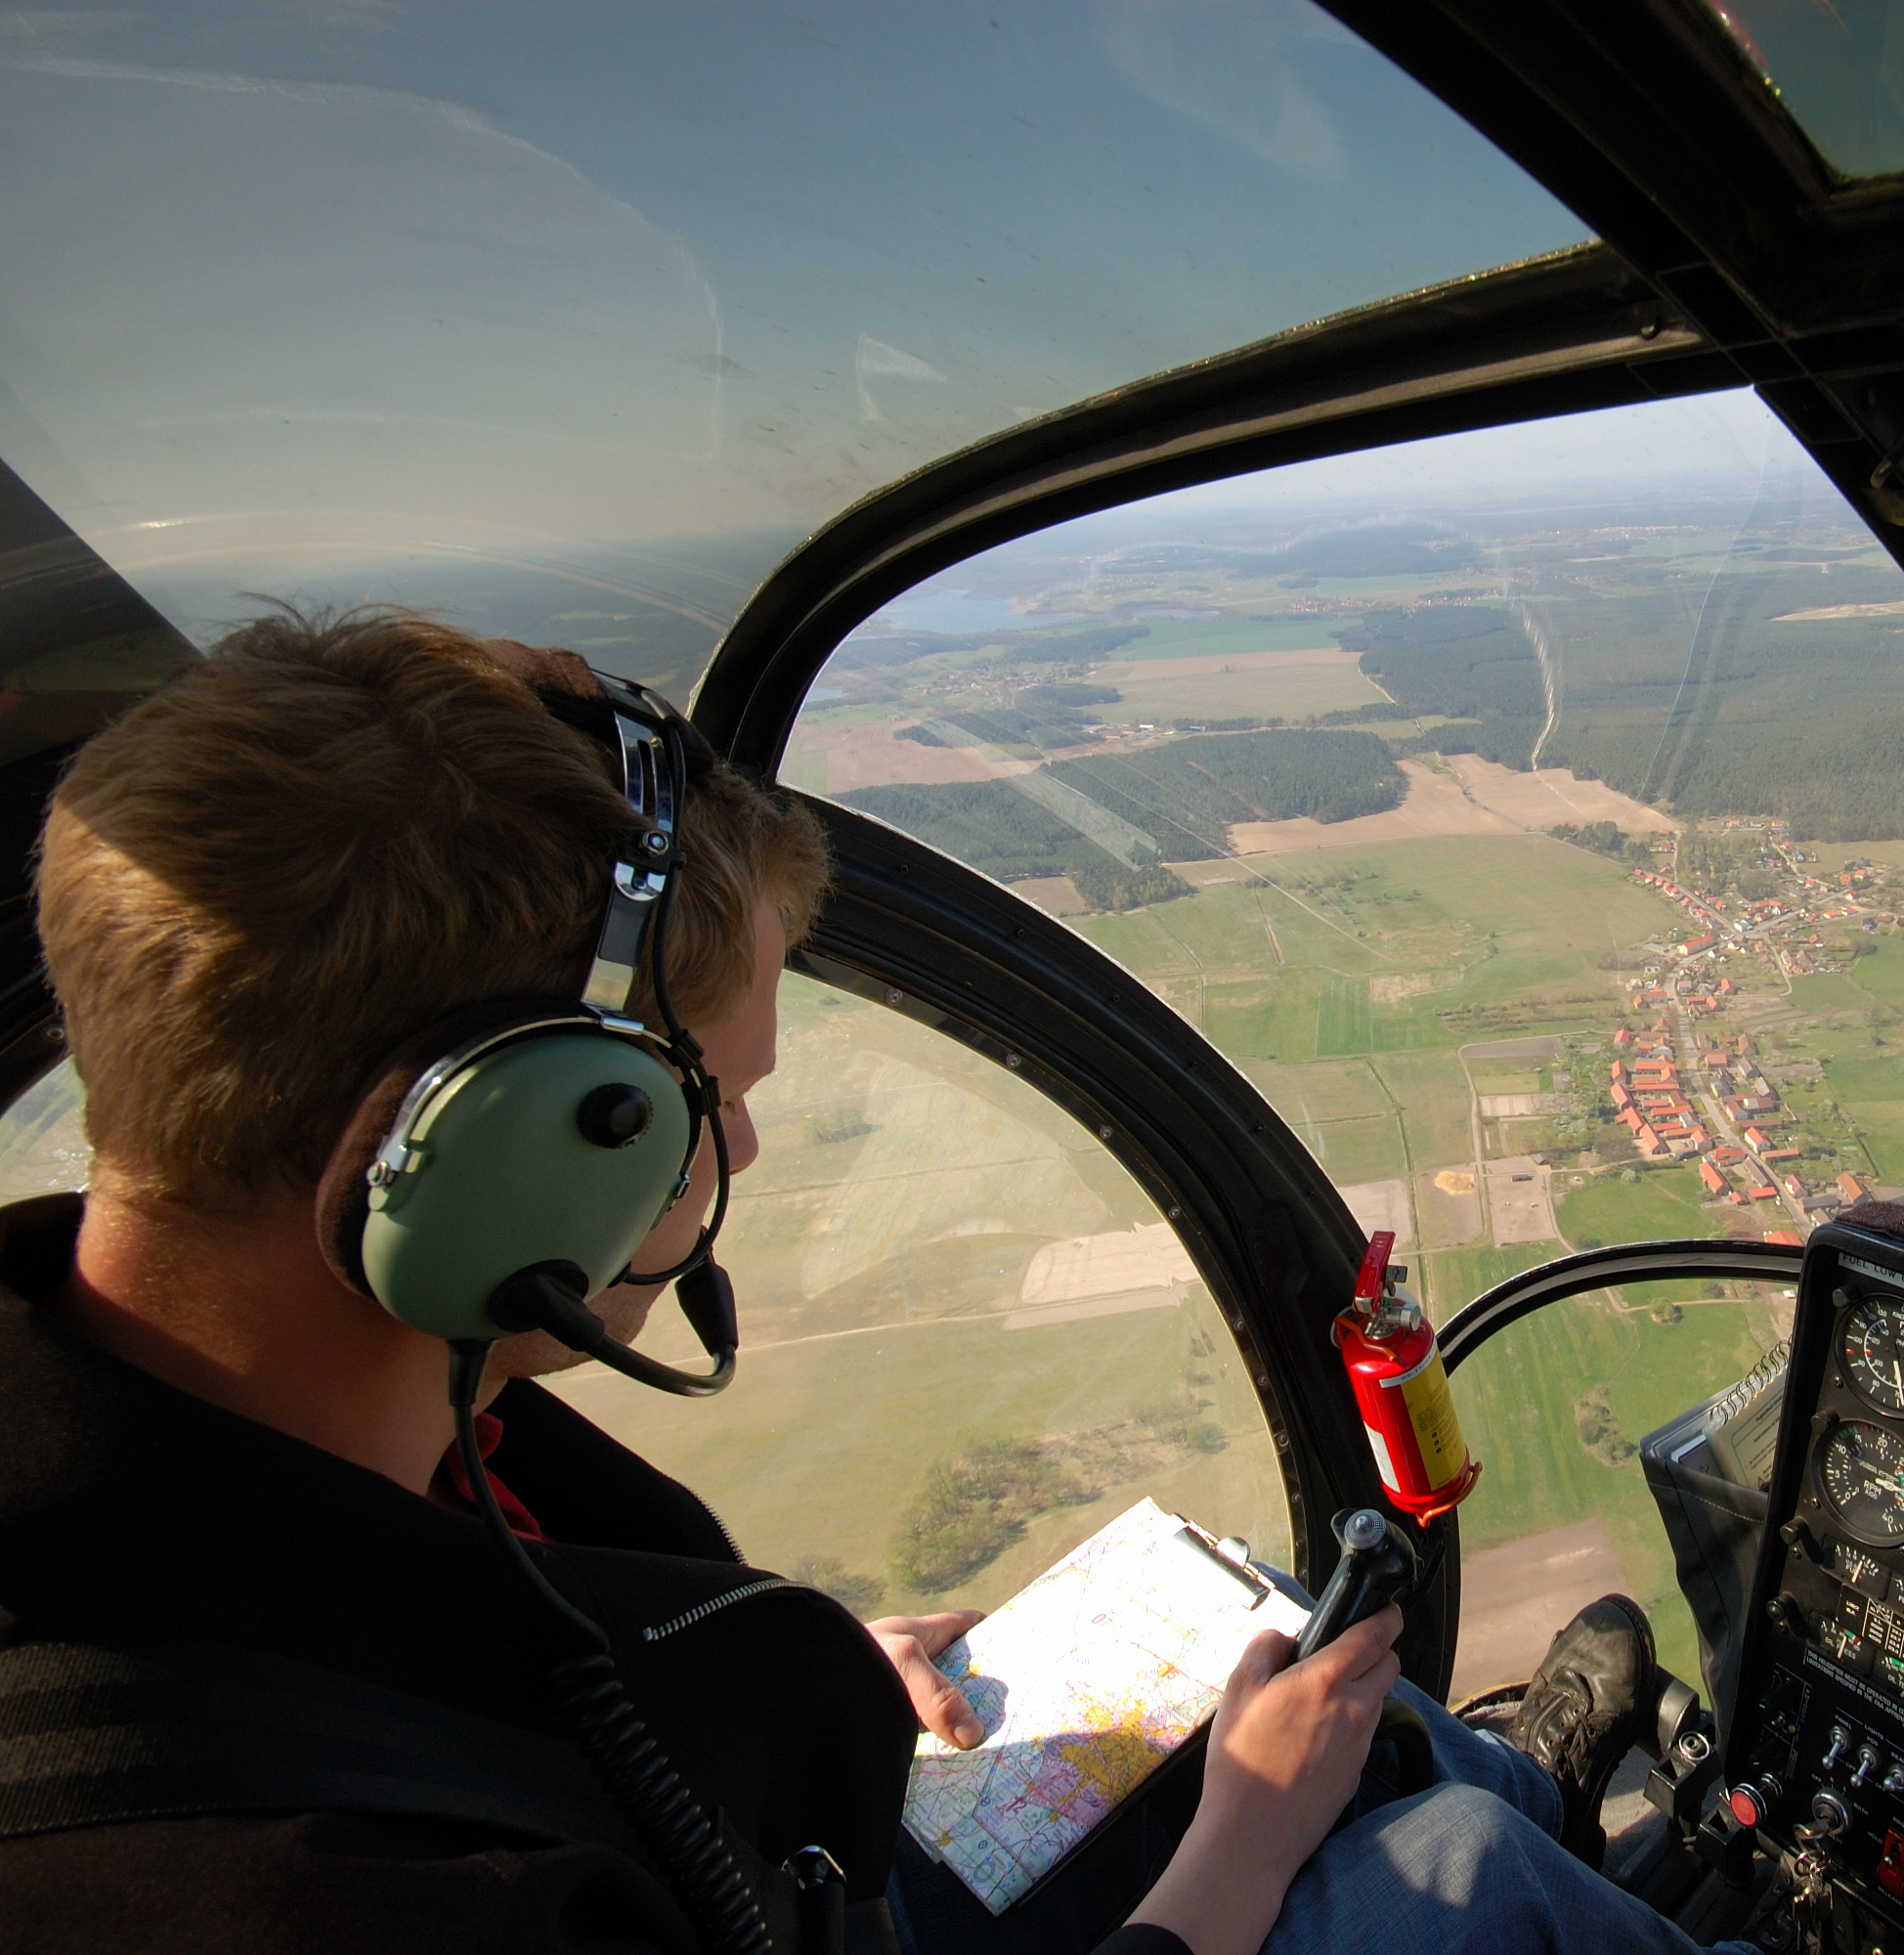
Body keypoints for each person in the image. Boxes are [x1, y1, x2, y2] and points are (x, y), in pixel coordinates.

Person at [0, 609, 1736, 1955]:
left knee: (1337, 1699)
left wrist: (779, 1670)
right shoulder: (328, 1907)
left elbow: (485, 1667)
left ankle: (1545, 1801)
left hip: (783, 1846)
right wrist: (1232, 1862)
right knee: (1439, 1868)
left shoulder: (263, 1425)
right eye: (707, 1104)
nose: (737, 1160)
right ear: (504, 1152)